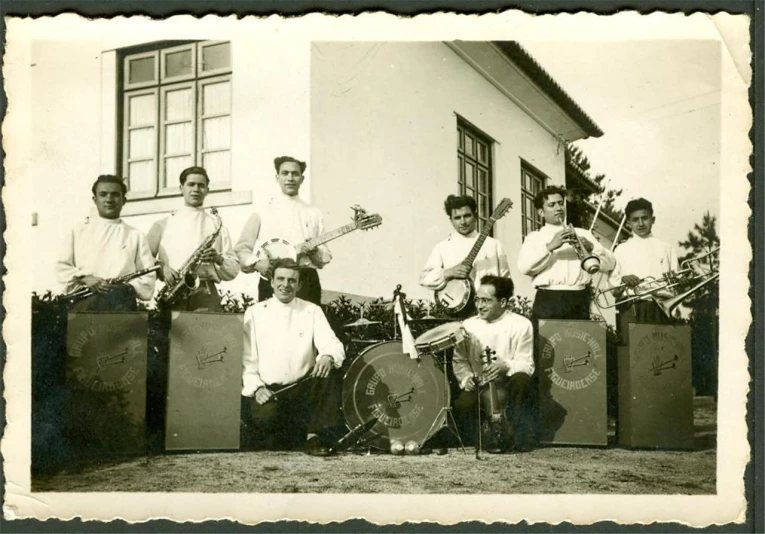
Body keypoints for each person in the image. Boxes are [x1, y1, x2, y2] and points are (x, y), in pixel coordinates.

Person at [241, 258, 345, 456]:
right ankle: (297, 435)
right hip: (271, 392)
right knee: (270, 427)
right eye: (280, 279)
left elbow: (332, 344)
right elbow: (248, 360)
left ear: (300, 285)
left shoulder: (312, 310)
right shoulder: (254, 312)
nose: (285, 285)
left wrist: (327, 357)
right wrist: (257, 389)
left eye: (291, 280)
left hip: (304, 390)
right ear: (271, 282)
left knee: (330, 371)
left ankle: (313, 436)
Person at [453, 275, 535, 453]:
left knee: (522, 381)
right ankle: (486, 437)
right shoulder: (468, 325)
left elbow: (526, 363)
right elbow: (460, 360)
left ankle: (514, 435)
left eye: (486, 301)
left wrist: (505, 366)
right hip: (479, 384)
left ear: (503, 302)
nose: (480, 306)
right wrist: (466, 378)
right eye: (477, 300)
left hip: (508, 382)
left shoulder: (521, 325)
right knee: (462, 404)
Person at [235, 156, 330, 305]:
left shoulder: (314, 213)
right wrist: (257, 264)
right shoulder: (262, 211)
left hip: (306, 280)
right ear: (277, 177)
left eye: (295, 174)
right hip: (273, 278)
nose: (290, 178)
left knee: (306, 326)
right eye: (285, 173)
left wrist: (314, 252)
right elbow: (242, 248)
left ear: (302, 178)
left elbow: (323, 257)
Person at [56, 175, 156, 311]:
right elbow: (63, 267)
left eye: (115, 195)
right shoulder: (78, 231)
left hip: (122, 306)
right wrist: (85, 278)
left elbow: (147, 278)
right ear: (95, 200)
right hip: (84, 305)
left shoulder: (136, 235)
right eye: (103, 195)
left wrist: (124, 287)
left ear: (124, 200)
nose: (109, 200)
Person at [147, 166, 239, 311]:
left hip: (206, 293)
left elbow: (234, 269)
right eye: (191, 184)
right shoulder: (162, 224)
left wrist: (218, 259)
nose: (196, 189)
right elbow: (143, 260)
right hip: (174, 291)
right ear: (181, 188)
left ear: (207, 190)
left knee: (208, 333)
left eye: (201, 185)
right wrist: (162, 268)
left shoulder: (216, 225)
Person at [517, 186, 616, 321]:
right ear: (541, 212)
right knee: (546, 341)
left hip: (579, 298)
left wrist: (591, 247)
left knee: (577, 340)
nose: (559, 208)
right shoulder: (534, 237)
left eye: (560, 203)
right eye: (552, 205)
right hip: (548, 299)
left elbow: (610, 264)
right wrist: (550, 246)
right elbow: (524, 268)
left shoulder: (584, 233)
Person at [420, 195, 509, 317]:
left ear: (475, 216)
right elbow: (424, 279)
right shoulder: (442, 247)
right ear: (451, 220)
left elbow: (506, 281)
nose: (463, 222)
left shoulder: (493, 245)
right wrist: (449, 272)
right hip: (453, 315)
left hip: (488, 314)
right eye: (457, 218)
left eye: (467, 216)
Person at [610, 198, 679, 325]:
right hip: (633, 307)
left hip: (662, 307)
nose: (640, 224)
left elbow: (675, 284)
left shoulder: (666, 248)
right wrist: (623, 280)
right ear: (628, 223)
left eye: (645, 218)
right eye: (635, 220)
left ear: (653, 220)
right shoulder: (620, 249)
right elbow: (614, 289)